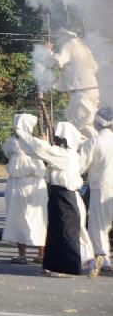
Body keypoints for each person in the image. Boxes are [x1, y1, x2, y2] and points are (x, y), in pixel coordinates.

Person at [15, 118, 93, 275]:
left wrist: (22, 133)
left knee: (66, 232)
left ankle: (70, 266)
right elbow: (38, 151)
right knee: (57, 232)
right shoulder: (65, 154)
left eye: (57, 139)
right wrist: (40, 142)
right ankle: (55, 265)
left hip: (65, 196)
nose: (55, 141)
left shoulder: (65, 155)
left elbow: (39, 149)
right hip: (60, 195)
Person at [2, 114, 47, 264]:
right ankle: (37, 253)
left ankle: (27, 254)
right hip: (30, 184)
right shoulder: (38, 143)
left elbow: (6, 154)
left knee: (26, 218)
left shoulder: (13, 143)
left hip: (24, 184)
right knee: (32, 217)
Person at [44, 29, 99, 138]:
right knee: (89, 122)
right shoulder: (84, 46)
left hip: (82, 91)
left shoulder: (69, 45)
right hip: (94, 89)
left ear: (65, 35)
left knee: (77, 123)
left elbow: (59, 61)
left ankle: (97, 142)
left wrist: (48, 51)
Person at [81, 107, 113, 275]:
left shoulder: (94, 141)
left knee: (99, 225)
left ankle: (104, 256)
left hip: (101, 187)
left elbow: (81, 165)